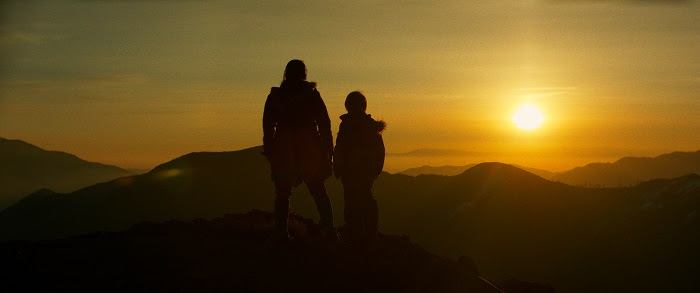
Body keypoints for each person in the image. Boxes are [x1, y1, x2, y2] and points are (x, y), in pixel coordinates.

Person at [262, 59, 335, 240]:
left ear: (286, 73)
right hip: (309, 146)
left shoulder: (275, 97)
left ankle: (281, 232)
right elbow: (324, 123)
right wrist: (327, 148)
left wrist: (270, 147)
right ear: (304, 74)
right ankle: (329, 230)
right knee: (318, 189)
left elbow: (268, 124)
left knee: (283, 193)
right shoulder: (312, 95)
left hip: (283, 146)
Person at [333, 91, 386, 245]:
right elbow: (380, 150)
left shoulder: (346, 124)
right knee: (365, 198)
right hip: (365, 171)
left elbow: (340, 148)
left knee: (351, 199)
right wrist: (376, 169)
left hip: (350, 170)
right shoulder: (371, 126)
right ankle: (368, 231)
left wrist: (338, 167)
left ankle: (354, 230)